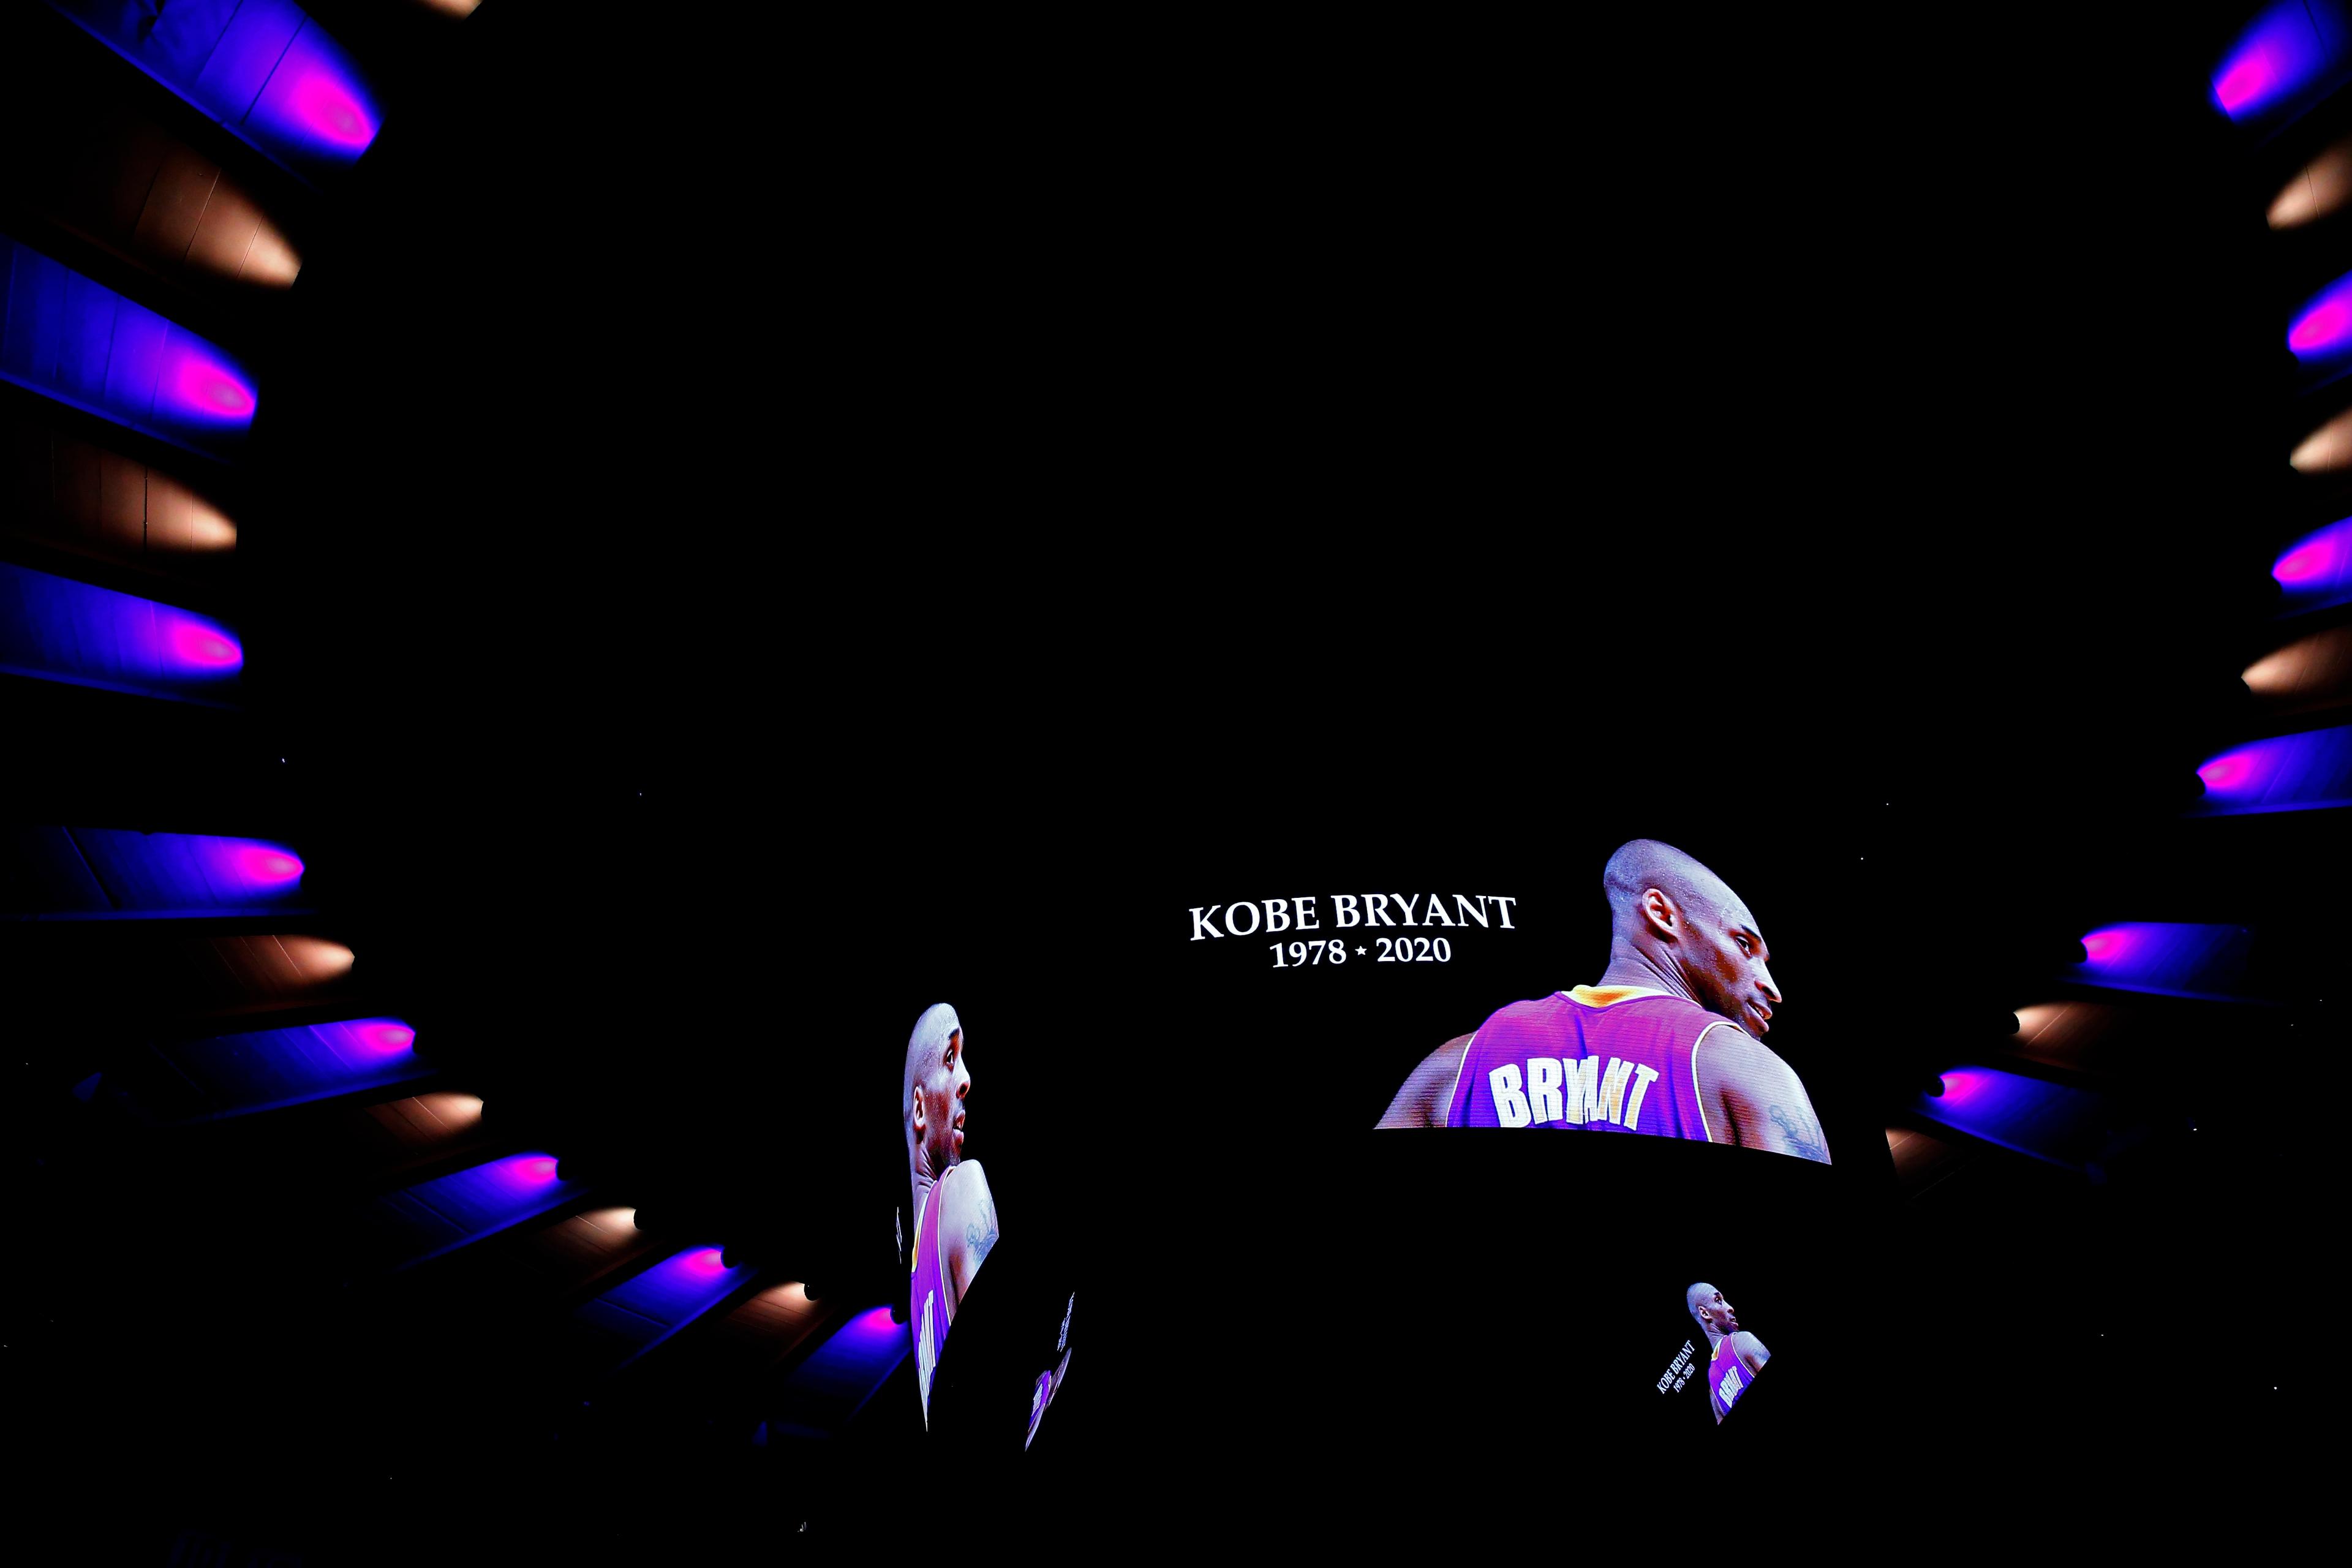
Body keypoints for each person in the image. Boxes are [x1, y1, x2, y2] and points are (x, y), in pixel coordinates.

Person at [1374, 839, 1831, 1163]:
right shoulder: (1749, 1070)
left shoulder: (1456, 1062)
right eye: (1745, 945)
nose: (1771, 985)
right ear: (1661, 914)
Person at [902, 1002, 1068, 1439]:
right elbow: (999, 1381)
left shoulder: (917, 1277)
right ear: (920, 1110)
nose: (966, 1080)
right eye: (951, 1059)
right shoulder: (961, 1188)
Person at [1686, 1281, 1769, 1423]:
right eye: (1718, 1301)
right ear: (1705, 1313)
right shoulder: (1742, 1341)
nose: (1730, 1308)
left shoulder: (1713, 1393)